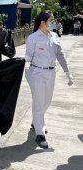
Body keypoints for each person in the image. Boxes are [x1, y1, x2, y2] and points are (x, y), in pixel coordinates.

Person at [25, 11, 74, 149]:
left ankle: (36, 122)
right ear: (43, 23)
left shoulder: (54, 36)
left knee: (47, 101)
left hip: (51, 73)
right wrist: (25, 59)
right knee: (39, 102)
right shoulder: (33, 38)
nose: (54, 22)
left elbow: (60, 54)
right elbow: (28, 56)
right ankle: (40, 134)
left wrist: (67, 72)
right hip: (37, 73)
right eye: (51, 20)